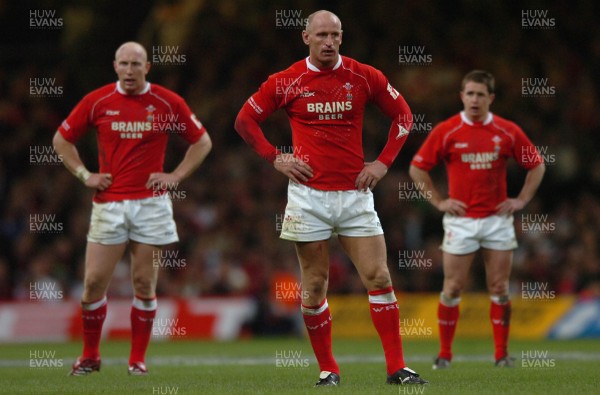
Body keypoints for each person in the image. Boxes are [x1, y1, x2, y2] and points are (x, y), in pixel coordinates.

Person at [235, 10, 427, 386]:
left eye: (335, 35)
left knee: (379, 275)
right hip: (309, 198)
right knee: (315, 285)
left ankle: (396, 368)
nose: (329, 41)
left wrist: (384, 163)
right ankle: (329, 369)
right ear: (305, 37)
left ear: (342, 37)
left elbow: (404, 116)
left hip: (355, 195)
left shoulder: (363, 76)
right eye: (321, 34)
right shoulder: (287, 80)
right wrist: (276, 157)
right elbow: (244, 121)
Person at [53, 41, 212, 376]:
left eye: (135, 65)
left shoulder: (167, 102)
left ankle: (137, 360)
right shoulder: (97, 101)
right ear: (115, 66)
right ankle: (90, 356)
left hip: (150, 205)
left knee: (143, 282)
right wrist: (85, 174)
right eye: (123, 64)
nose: (129, 70)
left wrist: (176, 175)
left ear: (147, 68)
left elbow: (202, 141)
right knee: (94, 282)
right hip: (109, 203)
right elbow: (61, 140)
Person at [409, 70, 546, 369]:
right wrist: (439, 201)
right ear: (461, 96)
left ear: (490, 98)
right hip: (461, 221)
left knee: (498, 287)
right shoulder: (447, 131)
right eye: (469, 94)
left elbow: (536, 165)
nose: (474, 99)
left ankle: (501, 354)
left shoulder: (507, 131)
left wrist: (521, 200)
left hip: (497, 219)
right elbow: (417, 169)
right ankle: (444, 355)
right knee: (453, 287)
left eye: (480, 94)